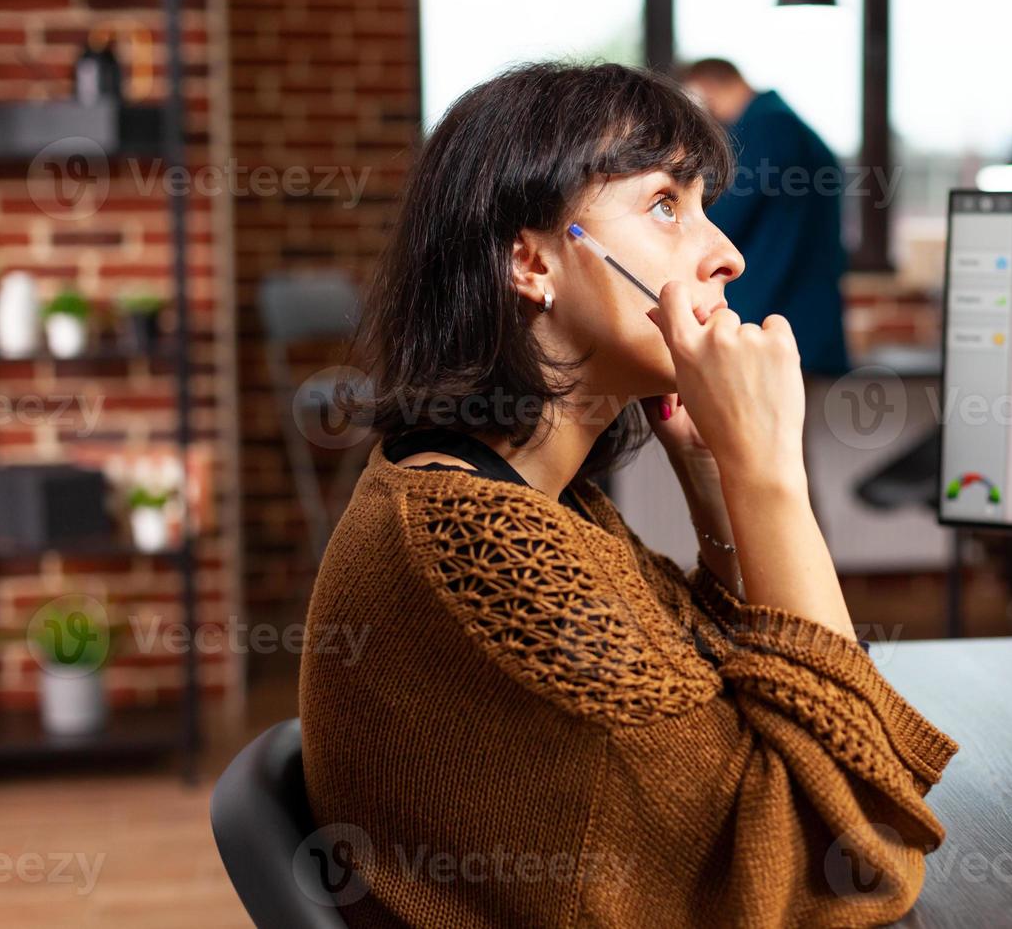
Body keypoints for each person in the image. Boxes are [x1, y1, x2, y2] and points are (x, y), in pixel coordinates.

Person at [299, 61, 956, 929]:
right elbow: (852, 858)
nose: (726, 252)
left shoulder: (520, 495)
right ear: (532, 262)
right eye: (664, 207)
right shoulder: (482, 551)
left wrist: (721, 491)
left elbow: (713, 694)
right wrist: (770, 475)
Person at [679, 57, 851, 379]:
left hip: (772, 308)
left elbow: (717, 221)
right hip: (805, 314)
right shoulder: (793, 128)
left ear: (709, 88)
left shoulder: (764, 130)